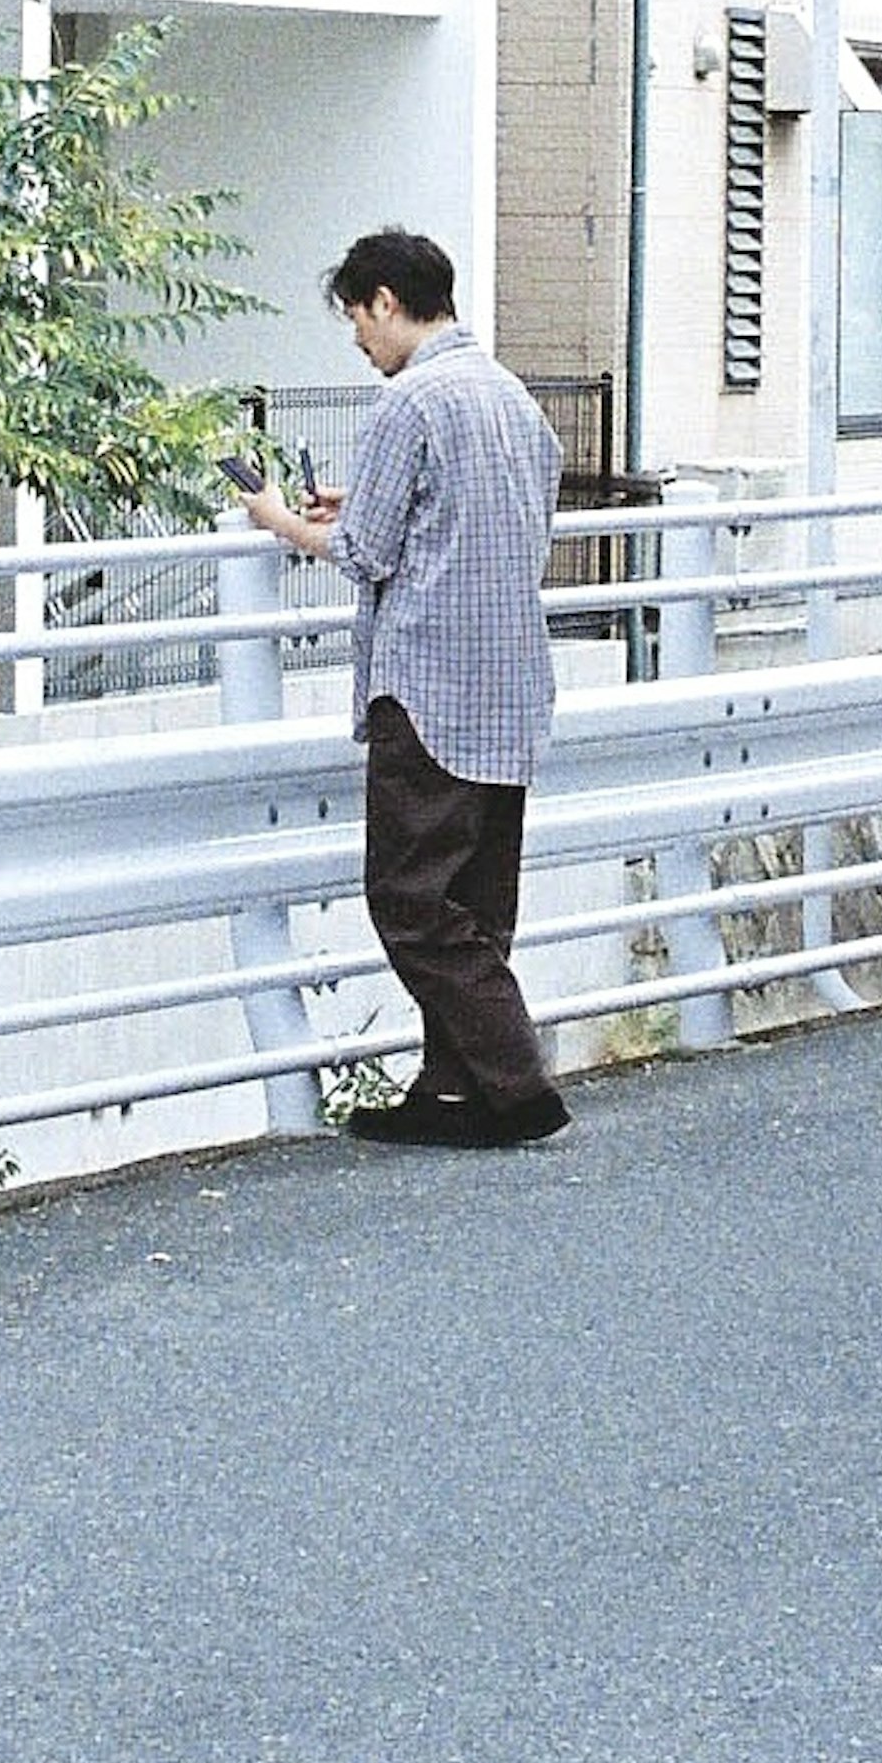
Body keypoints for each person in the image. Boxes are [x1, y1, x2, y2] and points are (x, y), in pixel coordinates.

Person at [240, 228, 572, 1149]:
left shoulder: (409, 403)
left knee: (412, 901)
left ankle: (517, 1081)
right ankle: (452, 1091)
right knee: (476, 902)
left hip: (428, 684)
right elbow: (485, 516)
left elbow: (361, 554)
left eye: (357, 319)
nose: (358, 340)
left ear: (385, 300)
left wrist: (278, 517)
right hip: (509, 682)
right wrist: (370, 499)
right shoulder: (511, 399)